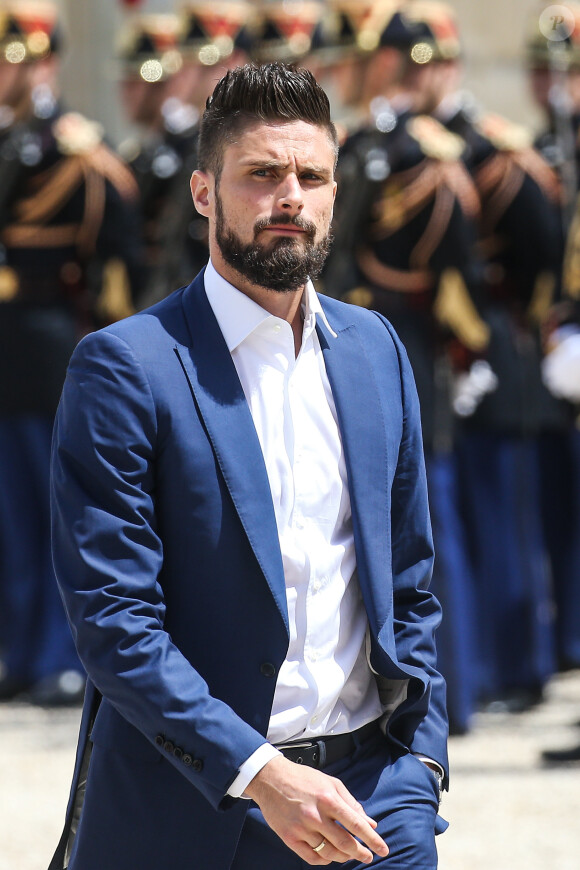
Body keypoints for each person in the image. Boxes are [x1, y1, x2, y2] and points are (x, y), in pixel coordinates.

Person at [49, 63, 448, 870]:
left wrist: (423, 767)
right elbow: (116, 624)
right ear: (204, 193)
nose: (290, 197)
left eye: (312, 175)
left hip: (376, 808)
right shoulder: (128, 367)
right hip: (203, 814)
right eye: (261, 174)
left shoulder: (375, 351)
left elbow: (409, 585)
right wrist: (262, 775)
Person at [321, 0, 488, 735]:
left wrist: (473, 350)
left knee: (432, 525)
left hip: (412, 353)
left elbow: (457, 275)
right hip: (357, 346)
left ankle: (460, 687)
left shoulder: (430, 156)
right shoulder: (364, 144)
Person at [0, 0, 144, 705]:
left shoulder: (75, 150)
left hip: (52, 345)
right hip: (6, 355)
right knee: (10, 515)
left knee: (58, 512)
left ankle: (61, 654)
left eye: (16, 60)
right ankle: (18, 651)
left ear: (47, 63)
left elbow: (117, 260)